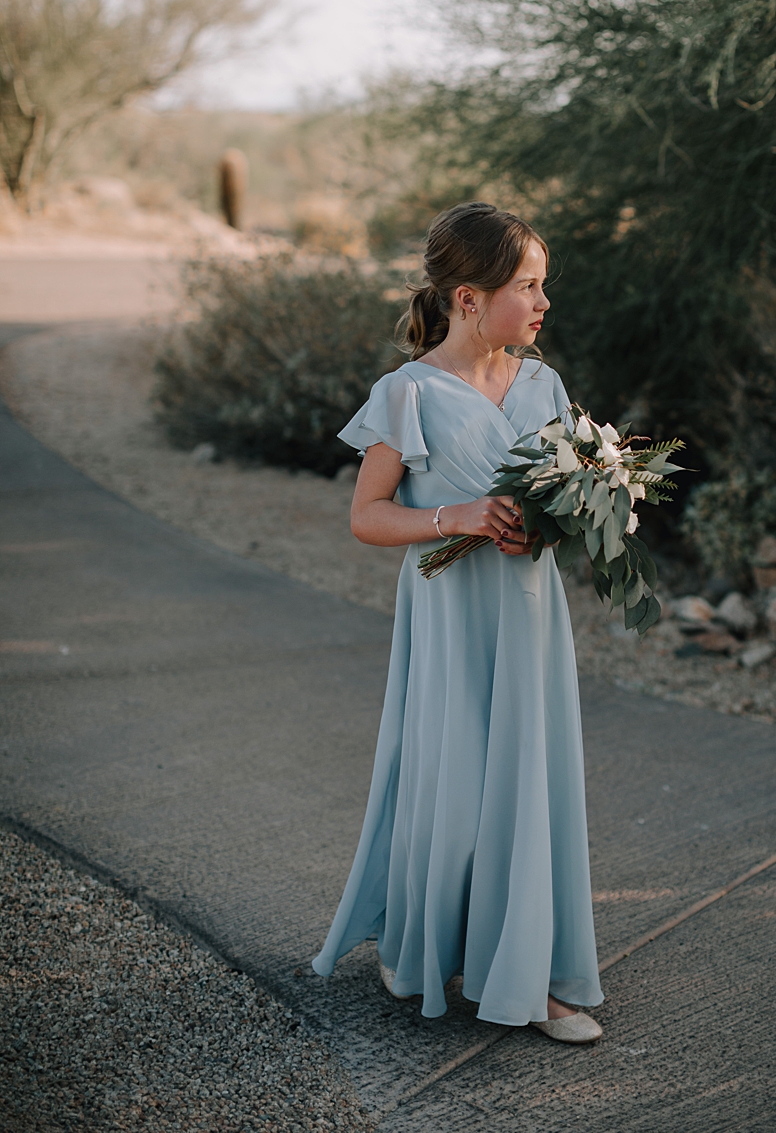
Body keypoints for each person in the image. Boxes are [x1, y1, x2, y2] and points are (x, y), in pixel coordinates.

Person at [308, 201, 604, 1044]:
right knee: (454, 778)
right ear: (469, 298)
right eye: (529, 286)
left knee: (523, 778)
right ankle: (426, 943)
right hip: (449, 618)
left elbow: (562, 496)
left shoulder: (544, 384)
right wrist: (460, 515)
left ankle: (525, 973)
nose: (544, 303)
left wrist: (585, 506)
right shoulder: (406, 395)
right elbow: (367, 516)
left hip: (531, 618)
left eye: (545, 285)